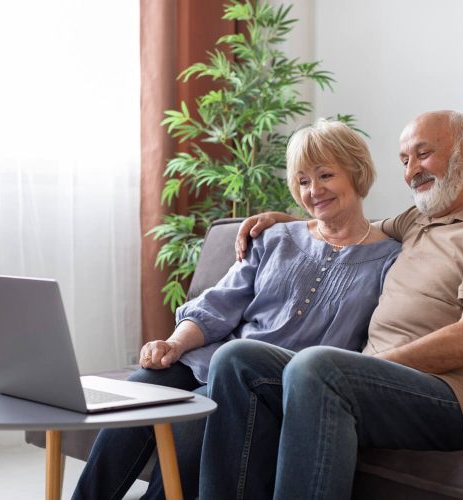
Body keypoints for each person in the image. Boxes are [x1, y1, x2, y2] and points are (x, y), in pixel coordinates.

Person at [199, 110, 463, 500]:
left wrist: (370, 368)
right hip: (374, 381)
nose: (412, 170)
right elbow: (345, 226)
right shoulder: (416, 221)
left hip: (456, 400)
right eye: (404, 161)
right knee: (237, 358)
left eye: (423, 153)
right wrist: (289, 222)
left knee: (317, 366)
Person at [72, 118, 401, 500]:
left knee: (192, 427)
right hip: (209, 359)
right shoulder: (275, 237)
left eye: (326, 175)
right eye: (303, 181)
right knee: (139, 394)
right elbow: (219, 303)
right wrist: (175, 344)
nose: (314, 191)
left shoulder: (390, 260)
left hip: (272, 384)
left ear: (357, 172)